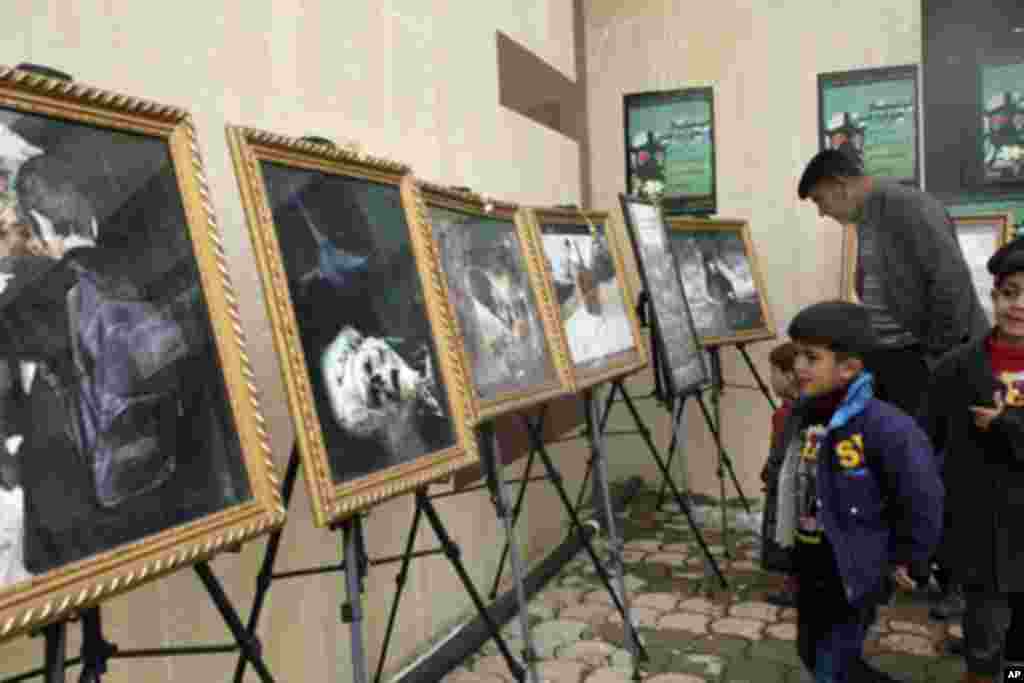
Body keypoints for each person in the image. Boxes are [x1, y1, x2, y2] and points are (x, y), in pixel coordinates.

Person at [798, 149, 986, 618]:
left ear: (841, 184)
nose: (823, 212)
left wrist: (938, 359)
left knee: (937, 469)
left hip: (925, 359)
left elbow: (951, 283)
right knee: (895, 466)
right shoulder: (869, 217)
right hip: (893, 358)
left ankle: (957, 582)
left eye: (821, 201)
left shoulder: (907, 206)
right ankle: (909, 566)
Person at [773, 300, 944, 683]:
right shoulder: (802, 413)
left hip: (855, 569)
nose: (798, 366)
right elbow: (790, 475)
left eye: (811, 357)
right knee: (810, 650)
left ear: (848, 368)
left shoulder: (887, 428)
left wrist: (910, 558)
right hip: (810, 560)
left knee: (831, 664)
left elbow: (922, 498)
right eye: (797, 354)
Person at [921, 239, 1024, 683]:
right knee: (985, 630)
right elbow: (923, 442)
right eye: (1010, 292)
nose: (1019, 305)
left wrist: (1008, 426)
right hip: (984, 529)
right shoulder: (956, 367)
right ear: (994, 295)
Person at [760, 340, 800, 607]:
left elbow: (780, 452)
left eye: (774, 372)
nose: (771, 379)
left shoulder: (787, 414)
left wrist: (770, 475)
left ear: (789, 376)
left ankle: (795, 587)